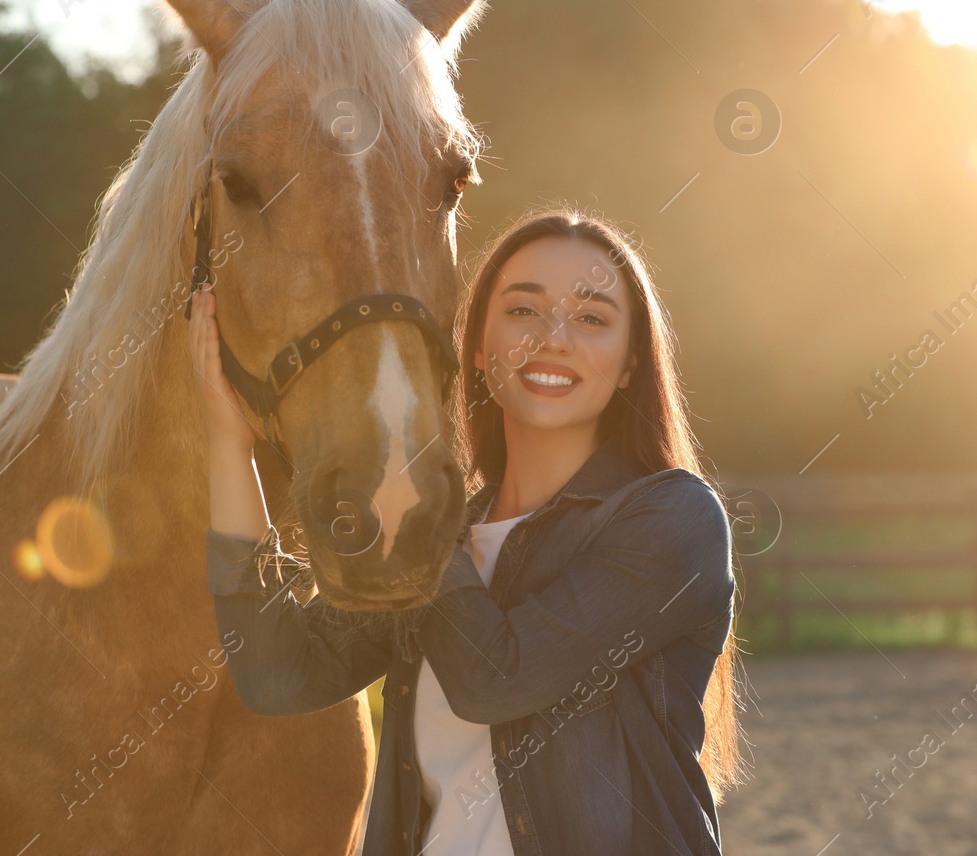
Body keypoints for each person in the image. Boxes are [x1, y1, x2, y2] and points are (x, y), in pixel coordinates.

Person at [196, 207, 745, 855]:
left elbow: (496, 678)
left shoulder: (675, 518)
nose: (554, 336)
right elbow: (281, 674)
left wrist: (425, 511)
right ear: (478, 349)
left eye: (592, 317)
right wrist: (229, 448)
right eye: (523, 310)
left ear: (629, 364)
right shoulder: (447, 531)